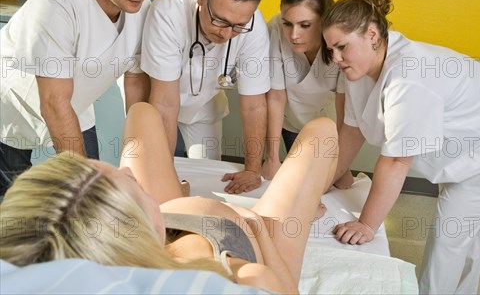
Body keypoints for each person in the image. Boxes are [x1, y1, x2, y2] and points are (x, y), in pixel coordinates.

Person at [322, 0, 480, 294]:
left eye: (342, 46)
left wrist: (367, 225)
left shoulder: (408, 76)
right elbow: (351, 135)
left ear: (371, 34)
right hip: (469, 147)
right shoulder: (357, 69)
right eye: (331, 49)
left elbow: (397, 160)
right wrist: (321, 182)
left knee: (449, 237)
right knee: (464, 233)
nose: (336, 58)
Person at [0, 102, 337, 294]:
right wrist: (257, 228)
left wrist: (169, 202)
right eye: (131, 184)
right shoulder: (244, 278)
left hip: (168, 217)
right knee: (322, 132)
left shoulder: (109, 247)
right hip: (249, 234)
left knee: (141, 112)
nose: (129, 170)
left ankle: (172, 192)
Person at [0, 0, 160, 196]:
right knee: (14, 207)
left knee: (88, 195)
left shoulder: (142, 10)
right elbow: (52, 101)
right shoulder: (57, 3)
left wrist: (139, 161)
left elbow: (135, 85)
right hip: (13, 108)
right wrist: (86, 182)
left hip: (76, 107)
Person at [142, 0, 269, 195]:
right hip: (156, 96)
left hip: (205, 102)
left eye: (237, 26)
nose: (226, 33)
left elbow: (254, 105)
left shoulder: (254, 26)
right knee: (153, 174)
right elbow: (164, 103)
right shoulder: (169, 9)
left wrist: (253, 169)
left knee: (211, 176)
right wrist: (165, 179)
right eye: (219, 20)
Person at [263, 0, 345, 180]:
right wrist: (271, 158)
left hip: (328, 124)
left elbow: (345, 105)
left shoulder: (342, 39)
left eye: (305, 25)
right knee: (297, 179)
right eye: (288, 23)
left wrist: (343, 164)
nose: (293, 35)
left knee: (329, 181)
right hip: (289, 121)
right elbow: (275, 96)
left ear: (324, 20)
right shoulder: (275, 28)